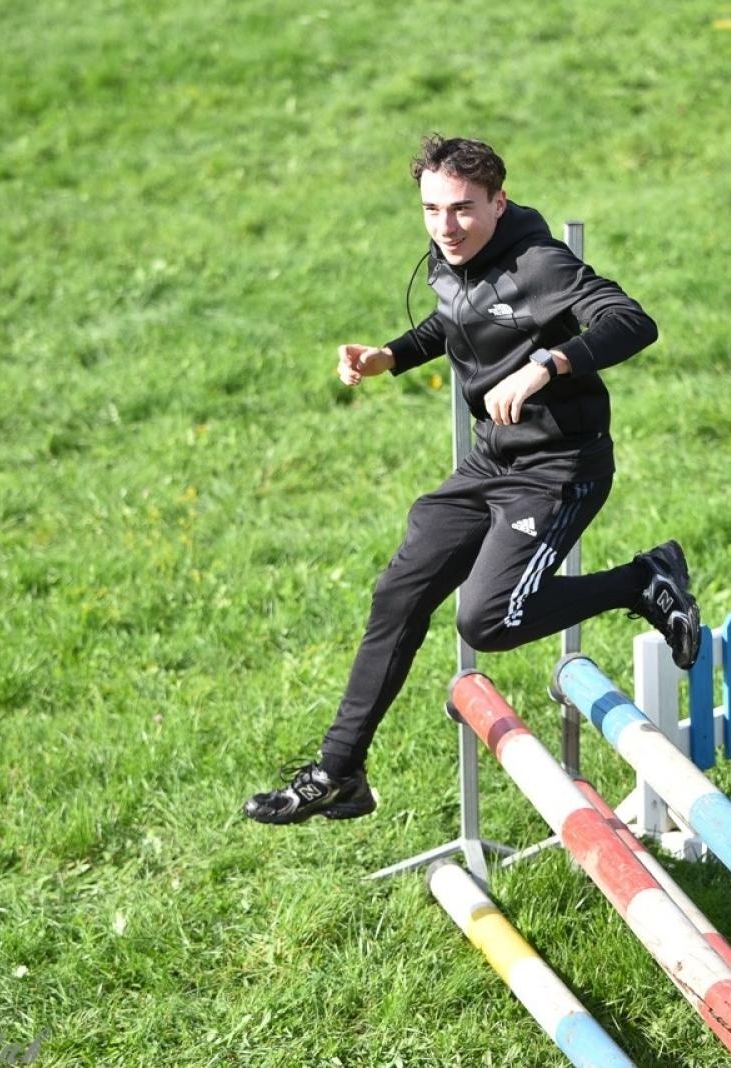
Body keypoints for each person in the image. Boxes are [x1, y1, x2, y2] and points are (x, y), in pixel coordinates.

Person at [244, 135, 701, 825]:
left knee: (489, 619)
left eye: (462, 210)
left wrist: (548, 364)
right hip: (490, 464)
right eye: (431, 209)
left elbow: (633, 322)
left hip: (558, 470)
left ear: (498, 200)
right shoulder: (446, 254)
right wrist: (388, 357)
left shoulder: (541, 262)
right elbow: (460, 321)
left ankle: (642, 580)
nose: (445, 227)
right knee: (397, 594)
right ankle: (339, 771)